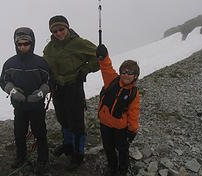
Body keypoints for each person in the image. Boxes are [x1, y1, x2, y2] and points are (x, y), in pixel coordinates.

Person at [43, 15, 99, 170]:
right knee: (63, 118)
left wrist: (86, 69)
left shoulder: (79, 43)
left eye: (61, 29)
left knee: (76, 121)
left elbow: (98, 56)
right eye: (55, 31)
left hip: (74, 86)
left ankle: (78, 154)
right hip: (57, 88)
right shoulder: (49, 48)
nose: (59, 33)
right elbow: (45, 66)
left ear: (67, 27)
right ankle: (68, 145)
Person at [0, 27, 52, 176]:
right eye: (19, 44)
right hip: (19, 106)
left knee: (40, 133)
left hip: (37, 106)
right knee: (19, 133)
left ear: (32, 43)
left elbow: (50, 81)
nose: (22, 47)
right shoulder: (9, 63)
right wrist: (12, 91)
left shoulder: (40, 62)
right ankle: (21, 157)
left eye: (26, 43)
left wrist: (41, 92)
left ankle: (43, 160)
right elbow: (3, 81)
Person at [96, 44, 140, 176]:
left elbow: (134, 112)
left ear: (135, 76)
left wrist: (132, 130)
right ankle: (112, 167)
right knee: (108, 147)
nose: (126, 75)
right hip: (105, 124)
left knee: (122, 149)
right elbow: (106, 67)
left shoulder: (133, 92)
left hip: (120, 128)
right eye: (124, 72)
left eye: (130, 73)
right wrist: (103, 57)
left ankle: (122, 170)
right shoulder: (112, 81)